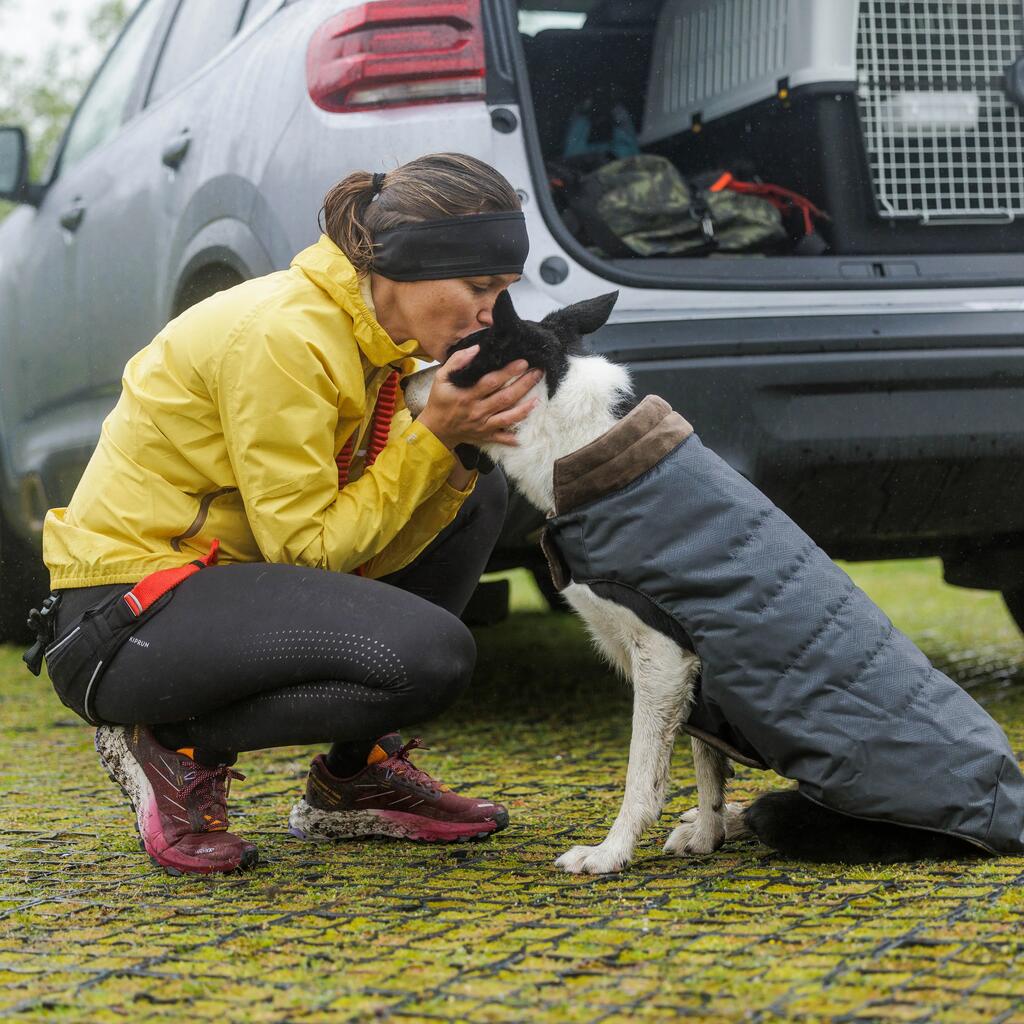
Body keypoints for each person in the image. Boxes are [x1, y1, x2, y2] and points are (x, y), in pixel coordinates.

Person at [32, 153, 542, 876]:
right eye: (480, 287)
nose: (495, 316)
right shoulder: (283, 335)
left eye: (504, 291)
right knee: (433, 658)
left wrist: (451, 451)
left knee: (470, 485)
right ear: (407, 266)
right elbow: (308, 553)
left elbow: (368, 541)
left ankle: (353, 775)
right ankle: (169, 743)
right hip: (127, 618)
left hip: (229, 588)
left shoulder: (374, 346)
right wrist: (431, 438)